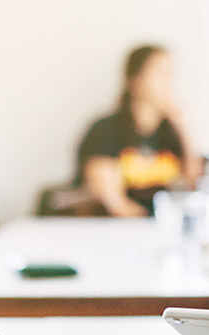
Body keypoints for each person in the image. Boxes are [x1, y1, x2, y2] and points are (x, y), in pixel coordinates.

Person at [73, 45, 202, 217]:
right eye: (161, 74)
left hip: (157, 227)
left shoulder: (170, 132)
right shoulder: (105, 130)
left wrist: (185, 128)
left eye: (171, 74)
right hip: (112, 230)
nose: (169, 82)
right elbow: (113, 202)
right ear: (135, 79)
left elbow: (194, 186)